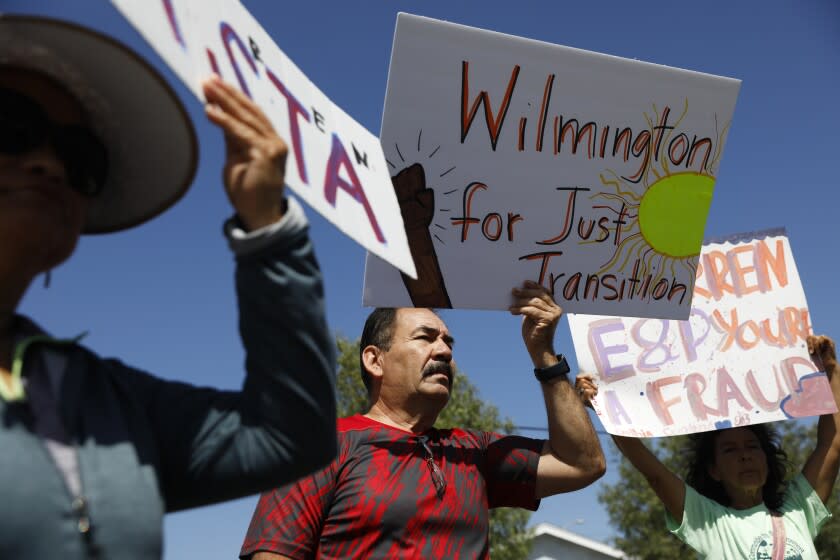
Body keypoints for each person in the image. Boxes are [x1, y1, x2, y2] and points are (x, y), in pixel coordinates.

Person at [0, 14, 337, 559]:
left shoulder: (101, 398)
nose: (49, 163)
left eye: (80, 157)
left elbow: (288, 435)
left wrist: (268, 229)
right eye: (11, 127)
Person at [240, 280, 606, 559]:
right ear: (374, 359)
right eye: (425, 338)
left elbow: (582, 464)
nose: (444, 350)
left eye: (448, 342)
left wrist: (544, 356)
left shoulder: (471, 452)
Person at [575, 335, 839, 559]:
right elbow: (654, 474)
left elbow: (832, 444)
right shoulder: (709, 521)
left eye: (752, 446)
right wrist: (604, 409)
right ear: (714, 470)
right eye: (730, 450)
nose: (745, 456)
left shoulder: (798, 510)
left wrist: (830, 369)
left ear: (767, 459)